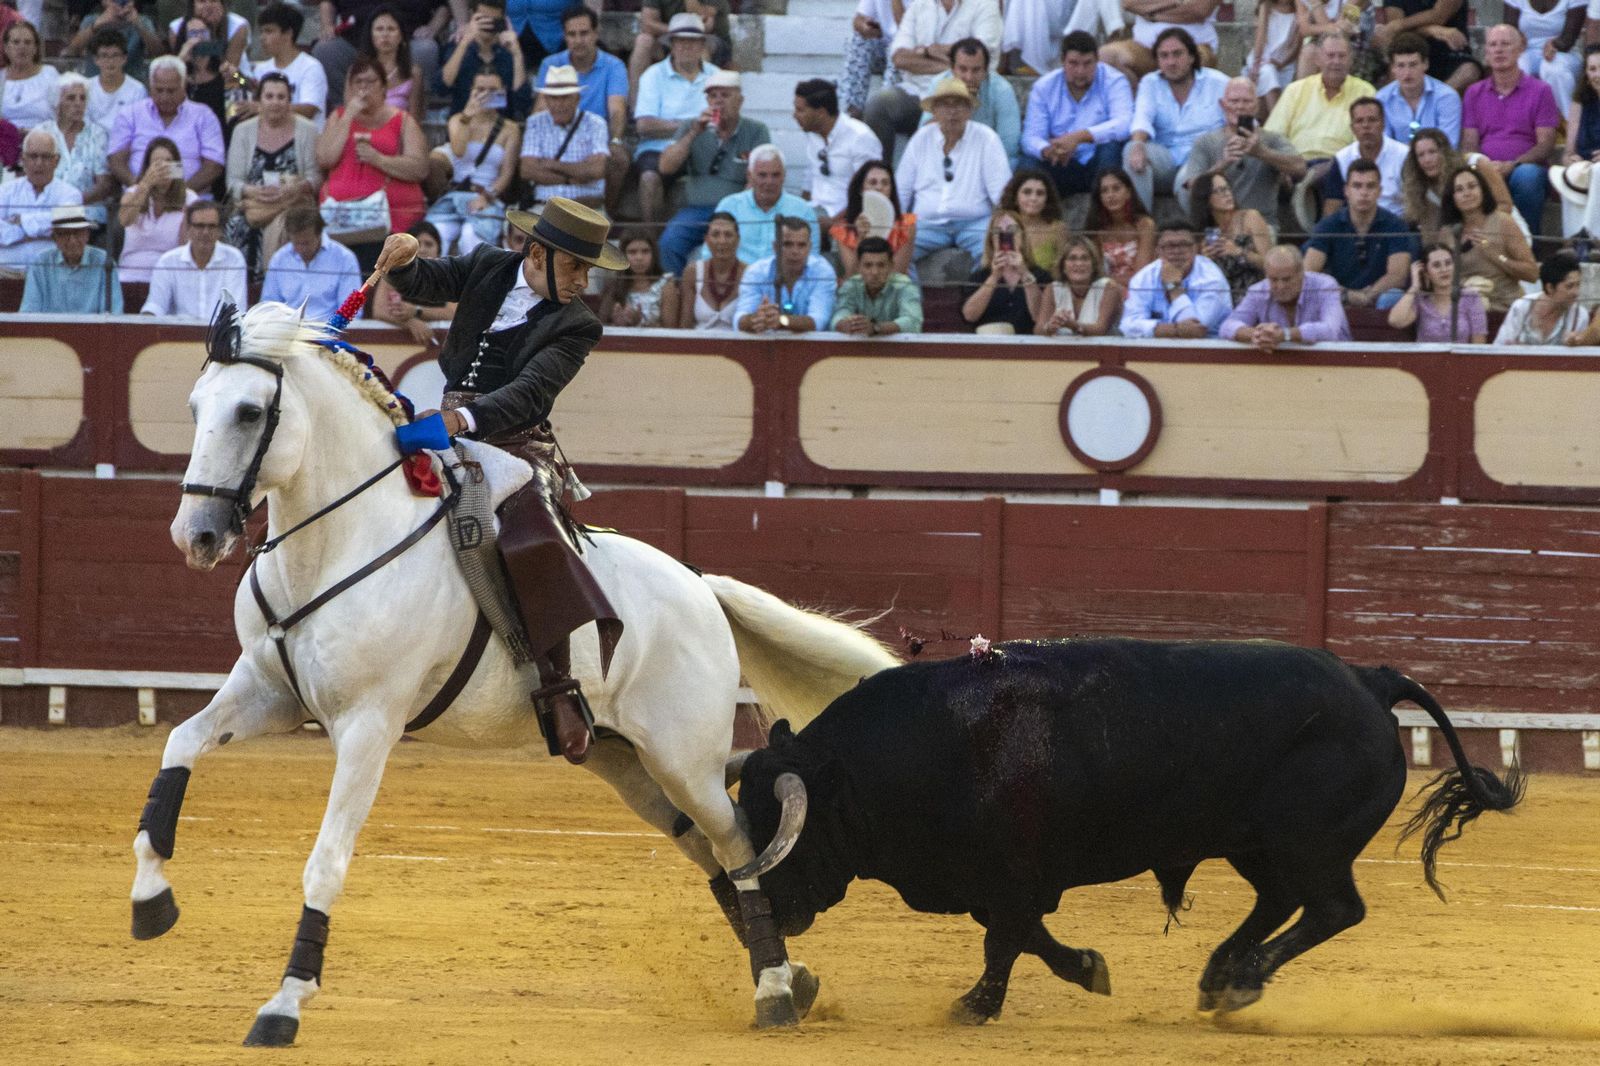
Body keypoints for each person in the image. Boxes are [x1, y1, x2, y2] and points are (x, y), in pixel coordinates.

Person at [371, 198, 630, 765]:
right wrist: (404, 257)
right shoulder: (490, 264)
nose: (585, 281)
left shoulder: (578, 324)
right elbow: (428, 281)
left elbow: (531, 392)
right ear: (537, 253)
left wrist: (460, 421)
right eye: (577, 267)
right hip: (447, 429)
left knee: (533, 535)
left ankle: (558, 686)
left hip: (517, 442)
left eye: (588, 270)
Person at [657, 70, 770, 273]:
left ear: (740, 100)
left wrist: (739, 208)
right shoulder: (692, 126)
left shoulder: (756, 131)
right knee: (669, 242)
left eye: (725, 96)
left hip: (736, 210)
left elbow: (758, 177)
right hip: (697, 209)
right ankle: (678, 292)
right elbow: (666, 166)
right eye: (712, 96)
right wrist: (693, 133)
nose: (718, 102)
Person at [864, 0, 1001, 161]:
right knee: (879, 105)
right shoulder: (919, 5)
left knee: (953, 103)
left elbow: (980, 55)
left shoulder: (985, 5)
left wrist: (928, 51)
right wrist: (953, 63)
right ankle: (881, 177)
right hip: (917, 90)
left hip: (963, 91)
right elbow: (900, 57)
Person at [895, 76, 1010, 263]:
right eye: (944, 105)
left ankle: (975, 294)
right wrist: (895, 226)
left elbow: (1002, 192)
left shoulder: (987, 138)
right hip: (926, 224)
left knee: (995, 254)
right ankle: (912, 294)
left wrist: (1002, 223)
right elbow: (901, 189)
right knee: (895, 252)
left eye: (959, 105)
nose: (952, 112)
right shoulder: (921, 139)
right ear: (934, 111)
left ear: (969, 110)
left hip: (975, 224)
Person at [1462, 24, 1562, 236]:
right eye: (1493, 45)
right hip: (1485, 167)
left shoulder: (1540, 90)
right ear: (1486, 53)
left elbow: (1545, 144)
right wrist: (1486, 165)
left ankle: (1528, 245)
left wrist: (1512, 164)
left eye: (1505, 44)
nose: (1498, 50)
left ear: (1520, 50)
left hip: (1525, 167)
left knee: (1527, 177)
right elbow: (1469, 143)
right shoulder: (1473, 93)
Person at [317, 58, 430, 241]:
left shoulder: (403, 120)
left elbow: (420, 168)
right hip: (340, 213)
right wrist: (349, 116)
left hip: (390, 215)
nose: (363, 88)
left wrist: (378, 159)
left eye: (370, 82)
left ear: (384, 87)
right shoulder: (338, 117)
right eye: (358, 82)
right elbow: (325, 159)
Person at [1123, 28, 1230, 213]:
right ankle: (1143, 223)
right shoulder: (1150, 82)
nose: (1171, 62)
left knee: (1187, 179)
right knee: (1131, 149)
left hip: (1202, 156)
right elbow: (1142, 115)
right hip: (1165, 157)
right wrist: (1138, 145)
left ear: (1191, 56)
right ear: (1157, 60)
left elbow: (1239, 120)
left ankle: (1195, 235)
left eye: (1177, 54)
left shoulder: (1218, 83)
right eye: (1164, 56)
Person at [1176, 75, 1306, 226]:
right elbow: (1193, 189)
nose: (1240, 107)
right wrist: (1223, 163)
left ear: (1257, 105)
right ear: (1223, 105)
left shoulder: (1272, 140)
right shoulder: (1205, 142)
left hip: (1261, 225)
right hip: (1218, 226)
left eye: (1246, 101)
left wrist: (1261, 152)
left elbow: (1300, 168)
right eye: (1234, 101)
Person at [225, 73, 322, 275]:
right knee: (237, 225)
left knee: (283, 227)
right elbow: (232, 181)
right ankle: (243, 288)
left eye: (281, 97)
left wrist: (296, 188)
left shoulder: (308, 130)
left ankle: (270, 288)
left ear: (289, 101)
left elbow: (315, 177)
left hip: (293, 203)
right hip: (254, 204)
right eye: (269, 96)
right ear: (259, 100)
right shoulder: (242, 131)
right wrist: (251, 191)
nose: (275, 102)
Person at [537, 7, 629, 208]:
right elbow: (540, 111)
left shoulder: (614, 66)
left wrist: (614, 140)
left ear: (596, 33)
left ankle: (607, 212)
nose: (578, 40)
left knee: (618, 157)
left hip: (595, 137)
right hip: (557, 135)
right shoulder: (550, 64)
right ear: (565, 36)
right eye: (572, 34)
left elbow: (617, 110)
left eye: (584, 33)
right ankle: (533, 205)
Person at [1022, 31, 1132, 198]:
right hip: (1062, 163)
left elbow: (1124, 124)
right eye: (1073, 63)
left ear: (1097, 61)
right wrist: (1047, 150)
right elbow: (1030, 137)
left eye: (1087, 64)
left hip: (1100, 162)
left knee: (1111, 148)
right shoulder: (1044, 87)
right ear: (1062, 62)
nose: (1080, 71)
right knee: (1028, 164)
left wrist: (1080, 137)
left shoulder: (1114, 81)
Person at [633, 13, 719, 224]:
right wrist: (693, 125)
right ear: (672, 44)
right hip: (657, 148)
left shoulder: (716, 76)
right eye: (681, 41)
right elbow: (644, 125)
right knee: (649, 178)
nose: (686, 46)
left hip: (704, 148)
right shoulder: (653, 75)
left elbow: (720, 120)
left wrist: (672, 125)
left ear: (702, 45)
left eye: (692, 41)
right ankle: (651, 242)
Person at [428, 68, 520, 254]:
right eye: (480, 89)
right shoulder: (457, 120)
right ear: (471, 91)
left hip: (487, 195)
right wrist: (467, 116)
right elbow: (459, 151)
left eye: (493, 90)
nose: (486, 94)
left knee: (471, 237)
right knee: (437, 234)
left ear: (503, 90)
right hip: (456, 194)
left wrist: (487, 196)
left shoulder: (510, 129)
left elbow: (507, 173)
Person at [107, 55, 226, 195]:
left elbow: (214, 165)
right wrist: (141, 189)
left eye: (171, 91)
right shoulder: (130, 114)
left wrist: (180, 194)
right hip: (140, 199)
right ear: (150, 87)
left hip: (191, 199)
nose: (164, 97)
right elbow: (116, 160)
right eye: (159, 90)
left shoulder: (203, 115)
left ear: (183, 87)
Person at [1303, 159, 1414, 307]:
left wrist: (1367, 295)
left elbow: (1398, 275)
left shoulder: (1396, 225)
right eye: (1357, 186)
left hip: (1378, 301)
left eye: (1370, 186)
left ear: (1379, 191)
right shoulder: (1329, 225)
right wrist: (1345, 295)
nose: (1363, 192)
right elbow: (1308, 272)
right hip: (1337, 300)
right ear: (1346, 191)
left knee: (1393, 296)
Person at [1264, 32, 1376, 165]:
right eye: (1330, 55)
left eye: (1342, 56)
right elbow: (1272, 136)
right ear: (1317, 59)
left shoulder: (1365, 92)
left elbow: (1365, 143)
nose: (1336, 61)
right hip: (1297, 166)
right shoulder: (1295, 90)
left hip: (1341, 168)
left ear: (1351, 60)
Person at [1440, 163, 1539, 311]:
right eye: (1459, 190)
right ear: (1452, 197)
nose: (1467, 193)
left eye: (1472, 186)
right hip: (1462, 309)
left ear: (1483, 190)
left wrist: (1497, 256)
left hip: (1503, 308)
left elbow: (1532, 273)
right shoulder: (1447, 232)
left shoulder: (1503, 222)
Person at [315, 0, 445, 111]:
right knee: (325, 49)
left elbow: (443, 5)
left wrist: (432, 27)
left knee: (426, 49)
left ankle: (417, 109)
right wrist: (327, 25)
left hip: (407, 41)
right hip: (353, 40)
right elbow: (328, 2)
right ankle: (342, 109)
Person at [1220, 244, 1351, 350]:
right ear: (1266, 275)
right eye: (1274, 280)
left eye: (1287, 279)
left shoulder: (1325, 285)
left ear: (1302, 273)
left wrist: (1285, 334)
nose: (1280, 286)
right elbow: (1227, 326)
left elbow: (1330, 330)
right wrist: (1256, 334)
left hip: (1333, 365)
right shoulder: (1258, 290)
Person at [1401, 127, 1520, 241]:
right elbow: (1430, 235)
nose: (1427, 160)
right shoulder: (1422, 188)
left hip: (1502, 232)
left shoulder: (1476, 163)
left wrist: (1473, 225)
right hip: (1462, 243)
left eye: (1432, 152)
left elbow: (1505, 205)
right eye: (1420, 155)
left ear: (1444, 152)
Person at [794, 78, 880, 230]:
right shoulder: (812, 135)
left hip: (850, 220)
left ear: (820, 113)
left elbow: (869, 193)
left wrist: (834, 223)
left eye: (800, 110)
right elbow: (809, 184)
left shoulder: (860, 137)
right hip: (816, 213)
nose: (794, 115)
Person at [1119, 222, 1233, 337]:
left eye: (1184, 245)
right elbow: (1128, 325)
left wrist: (1174, 288)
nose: (1177, 251)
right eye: (1169, 246)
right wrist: (1173, 329)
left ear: (1196, 248)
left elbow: (1196, 329)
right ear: (1158, 250)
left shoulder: (1212, 278)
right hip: (1157, 348)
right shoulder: (1143, 277)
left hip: (1210, 349)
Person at [519, 63, 607, 209]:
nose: (559, 104)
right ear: (546, 99)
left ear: (577, 98)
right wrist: (572, 178)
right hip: (544, 207)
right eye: (553, 98)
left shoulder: (595, 124)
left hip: (586, 208)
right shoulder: (535, 123)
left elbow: (596, 170)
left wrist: (552, 165)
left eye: (565, 97)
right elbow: (527, 170)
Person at [713, 144, 819, 264]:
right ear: (750, 175)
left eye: (775, 175)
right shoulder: (729, 206)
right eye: (762, 175)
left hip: (785, 280)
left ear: (784, 176)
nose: (769, 182)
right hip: (738, 280)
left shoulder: (803, 211)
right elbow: (710, 253)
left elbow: (812, 260)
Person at [142, 199, 248, 318]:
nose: (205, 232)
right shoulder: (168, 261)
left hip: (220, 334)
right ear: (188, 229)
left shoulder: (233, 259)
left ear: (220, 230)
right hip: (178, 334)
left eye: (212, 226)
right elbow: (156, 305)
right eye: (199, 226)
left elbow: (236, 309)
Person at [734, 214, 838, 333]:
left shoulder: (823, 271)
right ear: (775, 247)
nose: (795, 251)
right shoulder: (756, 272)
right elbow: (739, 320)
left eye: (801, 245)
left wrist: (782, 321)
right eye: (788, 244)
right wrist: (757, 318)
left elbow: (818, 321)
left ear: (809, 247)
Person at [0, 129, 83, 274]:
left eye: (45, 157)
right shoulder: (5, 191)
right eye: (33, 156)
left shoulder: (71, 194)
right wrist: (46, 232)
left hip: (51, 274)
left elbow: (65, 228)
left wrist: (21, 221)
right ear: (23, 159)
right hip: (6, 271)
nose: (39, 163)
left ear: (56, 161)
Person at [36, 74, 114, 229]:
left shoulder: (97, 134)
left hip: (87, 214)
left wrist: (69, 206)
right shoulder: (42, 133)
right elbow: (34, 179)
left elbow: (104, 185)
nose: (78, 103)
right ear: (56, 102)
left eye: (82, 98)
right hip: (46, 213)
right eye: (71, 98)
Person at [238, 3, 331, 130]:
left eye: (269, 31)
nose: (262, 38)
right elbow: (250, 85)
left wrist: (262, 108)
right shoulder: (261, 69)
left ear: (288, 34)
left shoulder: (311, 68)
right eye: (261, 32)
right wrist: (235, 75)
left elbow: (309, 110)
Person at [932, 37, 1021, 167]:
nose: (969, 77)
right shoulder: (938, 84)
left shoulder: (1002, 90)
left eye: (976, 70)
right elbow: (925, 132)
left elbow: (1009, 145)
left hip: (989, 160)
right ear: (952, 69)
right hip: (946, 157)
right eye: (963, 69)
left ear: (985, 71)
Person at [261, 207, 363, 318]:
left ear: (319, 235)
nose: (300, 249)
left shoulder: (345, 259)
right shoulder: (279, 259)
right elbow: (269, 306)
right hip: (288, 331)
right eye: (296, 243)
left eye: (305, 243)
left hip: (329, 331)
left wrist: (330, 332)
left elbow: (351, 311)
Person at [119, 136, 197, 283]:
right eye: (157, 163)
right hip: (130, 274)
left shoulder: (189, 198)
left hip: (169, 276)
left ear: (177, 167)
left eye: (169, 161)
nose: (163, 167)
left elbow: (187, 247)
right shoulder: (133, 192)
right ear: (147, 167)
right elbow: (125, 220)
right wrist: (146, 184)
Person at [960, 209, 1050, 333]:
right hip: (989, 345)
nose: (1006, 236)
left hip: (1028, 345)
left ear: (1022, 236)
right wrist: (994, 277)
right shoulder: (979, 276)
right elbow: (969, 316)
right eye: (998, 231)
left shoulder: (1040, 275)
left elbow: (1041, 317)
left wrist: (1024, 273)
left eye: (1012, 230)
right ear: (991, 240)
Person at [20, 204, 121, 314]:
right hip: (50, 330)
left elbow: (112, 313)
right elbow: (29, 310)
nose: (72, 240)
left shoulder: (103, 261)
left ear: (87, 235)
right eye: (65, 234)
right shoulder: (40, 262)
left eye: (77, 233)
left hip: (93, 330)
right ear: (54, 238)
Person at [1190, 171, 1272, 303]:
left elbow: (1270, 264)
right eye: (1219, 191)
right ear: (1205, 198)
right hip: (1220, 298)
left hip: (1253, 293)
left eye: (1227, 188)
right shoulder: (1205, 233)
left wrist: (1239, 252)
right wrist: (1205, 261)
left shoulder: (1250, 217)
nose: (1227, 193)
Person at [629, 0, 731, 106]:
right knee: (643, 41)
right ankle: (636, 107)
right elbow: (648, 24)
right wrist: (678, 33)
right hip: (670, 37)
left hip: (710, 39)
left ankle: (701, 107)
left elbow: (704, 24)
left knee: (698, 49)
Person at [1321, 96, 1409, 217]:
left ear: (1383, 124)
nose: (1366, 126)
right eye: (1359, 121)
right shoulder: (1342, 158)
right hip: (1354, 228)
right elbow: (1332, 206)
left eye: (1372, 120)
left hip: (1396, 227)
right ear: (1352, 128)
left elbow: (1415, 204)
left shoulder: (1404, 155)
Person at [443, 0, 531, 121]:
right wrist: (465, 42)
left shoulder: (510, 53)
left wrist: (517, 54)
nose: (488, 25)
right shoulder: (458, 47)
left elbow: (522, 102)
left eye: (493, 21)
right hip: (463, 124)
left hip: (500, 129)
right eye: (483, 20)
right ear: (472, 16)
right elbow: (441, 87)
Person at [372, 220, 456, 347]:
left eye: (429, 244)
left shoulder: (447, 275)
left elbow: (453, 312)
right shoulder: (393, 271)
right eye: (417, 244)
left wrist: (416, 311)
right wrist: (410, 322)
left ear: (438, 251)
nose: (422, 249)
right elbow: (379, 311)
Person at [1099, 0, 1223, 84]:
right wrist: (1178, 2)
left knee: (1199, 59)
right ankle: (1137, 108)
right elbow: (1130, 3)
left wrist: (1151, 15)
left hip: (1194, 45)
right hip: (1144, 48)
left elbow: (1198, 10)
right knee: (1106, 56)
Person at [169, 0, 249, 129]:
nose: (198, 38)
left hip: (221, 130)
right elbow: (165, 95)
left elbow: (244, 83)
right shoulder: (179, 73)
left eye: (203, 33)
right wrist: (180, 60)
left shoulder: (222, 67)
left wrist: (234, 74)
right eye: (193, 34)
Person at [1386, 241, 1488, 341]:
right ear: (1426, 272)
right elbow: (1395, 321)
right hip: (1425, 357)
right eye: (1436, 265)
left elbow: (1478, 344)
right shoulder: (1421, 300)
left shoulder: (1471, 297)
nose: (1444, 269)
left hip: (1460, 357)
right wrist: (1414, 287)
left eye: (1448, 263)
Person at [830, 159, 917, 277]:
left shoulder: (906, 225)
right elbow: (853, 277)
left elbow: (897, 274)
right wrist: (861, 239)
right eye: (873, 182)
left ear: (891, 189)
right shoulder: (843, 229)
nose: (879, 187)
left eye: (885, 183)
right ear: (861, 189)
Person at [1373, 0, 1480, 93]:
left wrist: (1400, 25)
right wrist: (1432, 30)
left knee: (1469, 72)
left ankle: (1436, 102)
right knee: (1396, 70)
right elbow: (1395, 30)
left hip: (1451, 52)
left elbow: (1440, 15)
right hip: (1412, 51)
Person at [1376, 31, 1462, 146]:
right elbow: (1383, 146)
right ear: (1392, 68)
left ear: (1425, 64)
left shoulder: (1447, 97)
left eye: (1413, 65)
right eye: (1401, 66)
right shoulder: (1382, 99)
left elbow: (1448, 145)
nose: (1407, 73)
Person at [1504, 0, 1585, 112]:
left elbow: (1569, 38)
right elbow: (1510, 30)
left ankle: (1568, 120)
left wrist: (1556, 45)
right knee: (1518, 68)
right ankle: (1518, 121)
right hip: (1526, 51)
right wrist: (1518, 40)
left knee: (1553, 70)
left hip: (1563, 53)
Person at [832, 235, 923, 335]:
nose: (875, 272)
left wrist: (877, 328)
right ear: (858, 267)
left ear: (891, 266)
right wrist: (845, 324)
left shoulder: (904, 286)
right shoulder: (851, 285)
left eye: (881, 265)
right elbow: (839, 316)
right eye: (868, 265)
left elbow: (913, 322)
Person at [1493, 250, 1590, 343]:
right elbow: (1500, 349)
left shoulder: (1579, 316)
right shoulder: (1522, 307)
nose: (1576, 292)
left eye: (1578, 285)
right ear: (1550, 288)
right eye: (1569, 286)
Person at [1036, 235, 1122, 337]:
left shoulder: (1109, 288)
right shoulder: (1053, 289)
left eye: (1085, 258)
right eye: (1072, 258)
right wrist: (1049, 328)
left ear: (1093, 265)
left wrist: (1074, 326)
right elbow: (1038, 329)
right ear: (1063, 266)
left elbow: (1100, 329)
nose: (1079, 263)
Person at [1087, 167, 1156, 292]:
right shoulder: (1098, 231)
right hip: (1108, 292)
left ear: (1128, 192)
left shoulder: (1145, 225)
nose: (1110, 195)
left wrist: (1108, 280)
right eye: (1104, 191)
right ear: (1099, 198)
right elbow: (1094, 274)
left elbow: (1141, 276)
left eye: (1116, 188)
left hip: (1141, 290)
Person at [1556, 44, 1600, 238]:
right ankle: (1573, 240)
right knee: (1571, 173)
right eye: (1592, 69)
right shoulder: (1579, 102)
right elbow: (1568, 152)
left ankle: (1595, 238)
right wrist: (1571, 160)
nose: (1597, 74)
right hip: (1586, 165)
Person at [356, 6, 425, 123]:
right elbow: (350, 117)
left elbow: (414, 122)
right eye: (379, 29)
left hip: (399, 137)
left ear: (401, 36)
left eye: (391, 29)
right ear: (371, 36)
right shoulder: (357, 72)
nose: (385, 34)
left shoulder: (413, 73)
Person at [675, 210, 743, 328]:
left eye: (728, 235)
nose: (722, 241)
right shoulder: (692, 272)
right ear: (706, 239)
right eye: (716, 234)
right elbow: (685, 325)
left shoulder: (750, 273)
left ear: (738, 239)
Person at [598, 230, 679, 328]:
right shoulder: (614, 284)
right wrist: (617, 323)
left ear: (654, 255)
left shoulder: (666, 286)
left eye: (645, 251)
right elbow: (601, 325)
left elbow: (670, 330)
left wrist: (639, 323)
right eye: (632, 252)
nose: (639, 257)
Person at [64, 0, 162, 81]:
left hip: (133, 84)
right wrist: (97, 25)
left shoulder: (143, 21)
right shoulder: (90, 20)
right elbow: (72, 50)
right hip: (95, 84)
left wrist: (138, 25)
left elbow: (158, 52)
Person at [839, 0, 903, 119]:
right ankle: (853, 109)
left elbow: (906, 30)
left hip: (907, 53)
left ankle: (884, 107)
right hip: (881, 51)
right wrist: (865, 27)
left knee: (898, 46)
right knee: (858, 39)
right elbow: (858, 20)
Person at [999, 168, 1067, 273]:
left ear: (1047, 200)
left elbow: (1062, 272)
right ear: (1015, 198)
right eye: (1027, 192)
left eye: (1040, 193)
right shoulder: (1002, 227)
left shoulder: (1058, 228)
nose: (1033, 198)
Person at [85, 29, 148, 131]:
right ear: (96, 59)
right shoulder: (85, 87)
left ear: (124, 58)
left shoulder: (138, 90)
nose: (110, 62)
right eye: (104, 56)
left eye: (115, 55)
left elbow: (140, 125)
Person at [1, 20, 59, 132]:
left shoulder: (49, 74)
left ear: (35, 48)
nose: (22, 47)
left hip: (43, 141)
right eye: (16, 42)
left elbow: (62, 114)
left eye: (27, 42)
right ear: (6, 48)